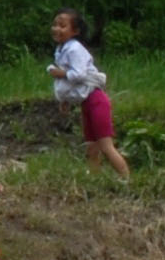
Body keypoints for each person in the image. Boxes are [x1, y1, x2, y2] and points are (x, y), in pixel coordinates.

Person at [51, 10, 130, 179]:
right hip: (87, 102)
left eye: (62, 25)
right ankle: (94, 180)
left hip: (96, 101)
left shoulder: (74, 49)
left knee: (106, 145)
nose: (57, 28)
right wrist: (65, 100)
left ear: (75, 31)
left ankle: (127, 179)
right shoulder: (62, 49)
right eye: (56, 24)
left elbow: (78, 74)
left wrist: (60, 73)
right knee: (92, 147)